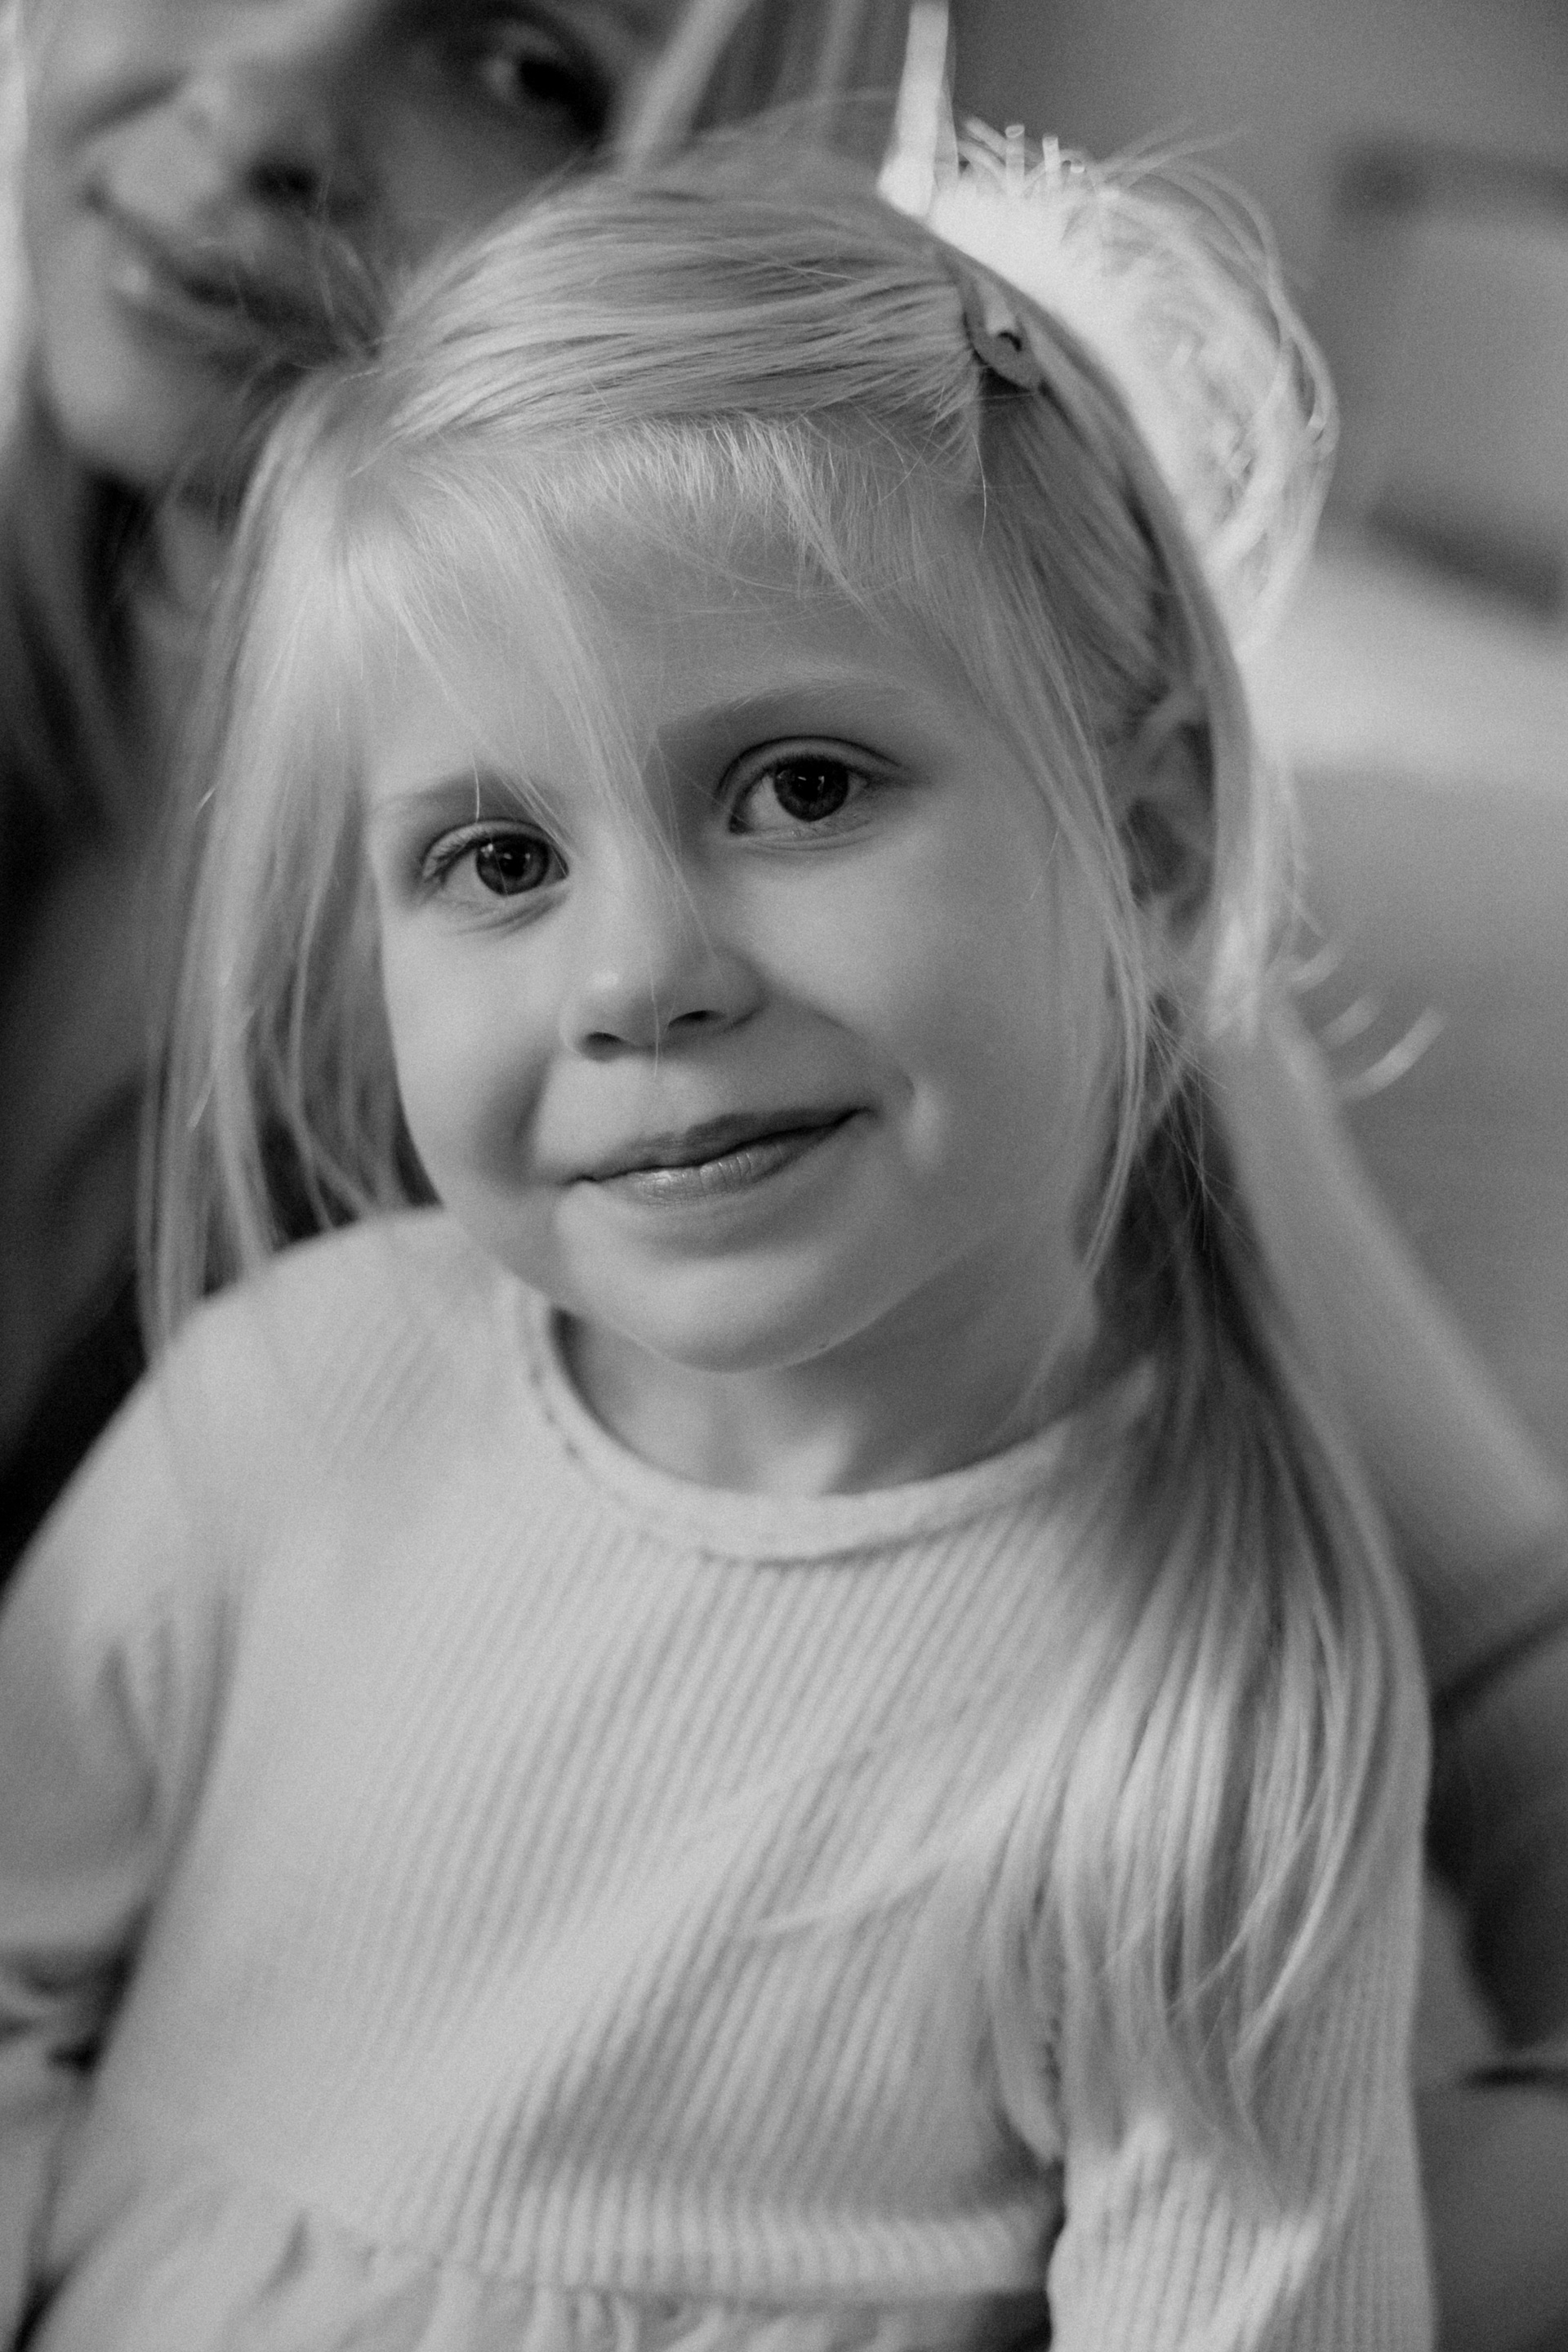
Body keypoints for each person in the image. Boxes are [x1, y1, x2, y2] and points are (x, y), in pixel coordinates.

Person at [0, 0, 1562, 2334]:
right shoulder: (294, 1406)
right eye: (496, 858)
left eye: (803, 789)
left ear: (1148, 845)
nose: (640, 974)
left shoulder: (1206, 1707)